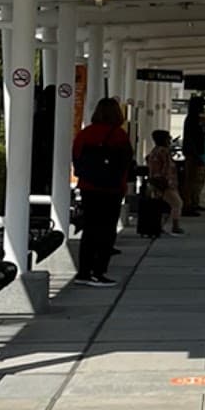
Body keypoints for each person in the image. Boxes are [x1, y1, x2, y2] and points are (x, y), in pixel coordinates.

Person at [72, 97, 133, 286]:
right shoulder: (119, 135)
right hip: (111, 189)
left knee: (89, 230)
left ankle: (83, 272)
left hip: (88, 187)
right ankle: (99, 271)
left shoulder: (84, 134)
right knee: (106, 231)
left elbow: (76, 159)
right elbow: (126, 164)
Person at [146, 129, 185, 235]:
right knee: (177, 203)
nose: (170, 139)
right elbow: (166, 168)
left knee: (162, 205)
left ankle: (159, 225)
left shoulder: (154, 151)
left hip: (156, 182)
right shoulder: (164, 152)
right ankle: (175, 226)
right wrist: (168, 182)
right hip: (165, 183)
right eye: (168, 137)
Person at [182, 101, 205, 214]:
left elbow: (203, 134)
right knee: (190, 181)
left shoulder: (194, 120)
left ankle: (193, 203)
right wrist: (195, 154)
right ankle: (187, 206)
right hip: (193, 154)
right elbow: (192, 138)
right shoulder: (191, 120)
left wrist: (204, 124)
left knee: (195, 180)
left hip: (195, 153)